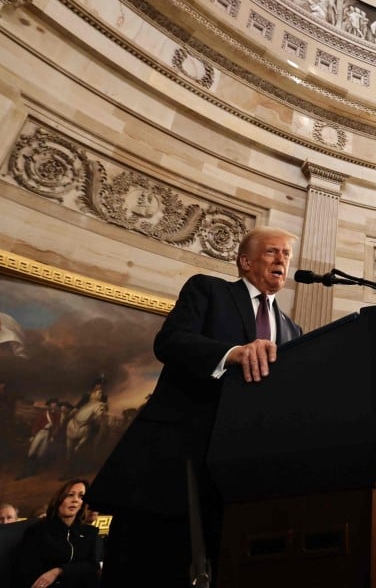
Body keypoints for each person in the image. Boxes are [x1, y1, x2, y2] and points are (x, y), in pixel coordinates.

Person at [90, 226, 301, 587]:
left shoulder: (292, 330)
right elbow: (171, 341)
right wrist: (231, 353)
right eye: (271, 252)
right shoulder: (209, 290)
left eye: (286, 255)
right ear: (245, 261)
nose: (281, 259)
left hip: (238, 483)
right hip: (174, 470)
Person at [13, 478, 99, 588]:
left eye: (81, 496)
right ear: (59, 499)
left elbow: (92, 566)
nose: (75, 500)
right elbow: (28, 571)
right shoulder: (38, 530)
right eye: (70, 495)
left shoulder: (90, 533)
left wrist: (59, 570)